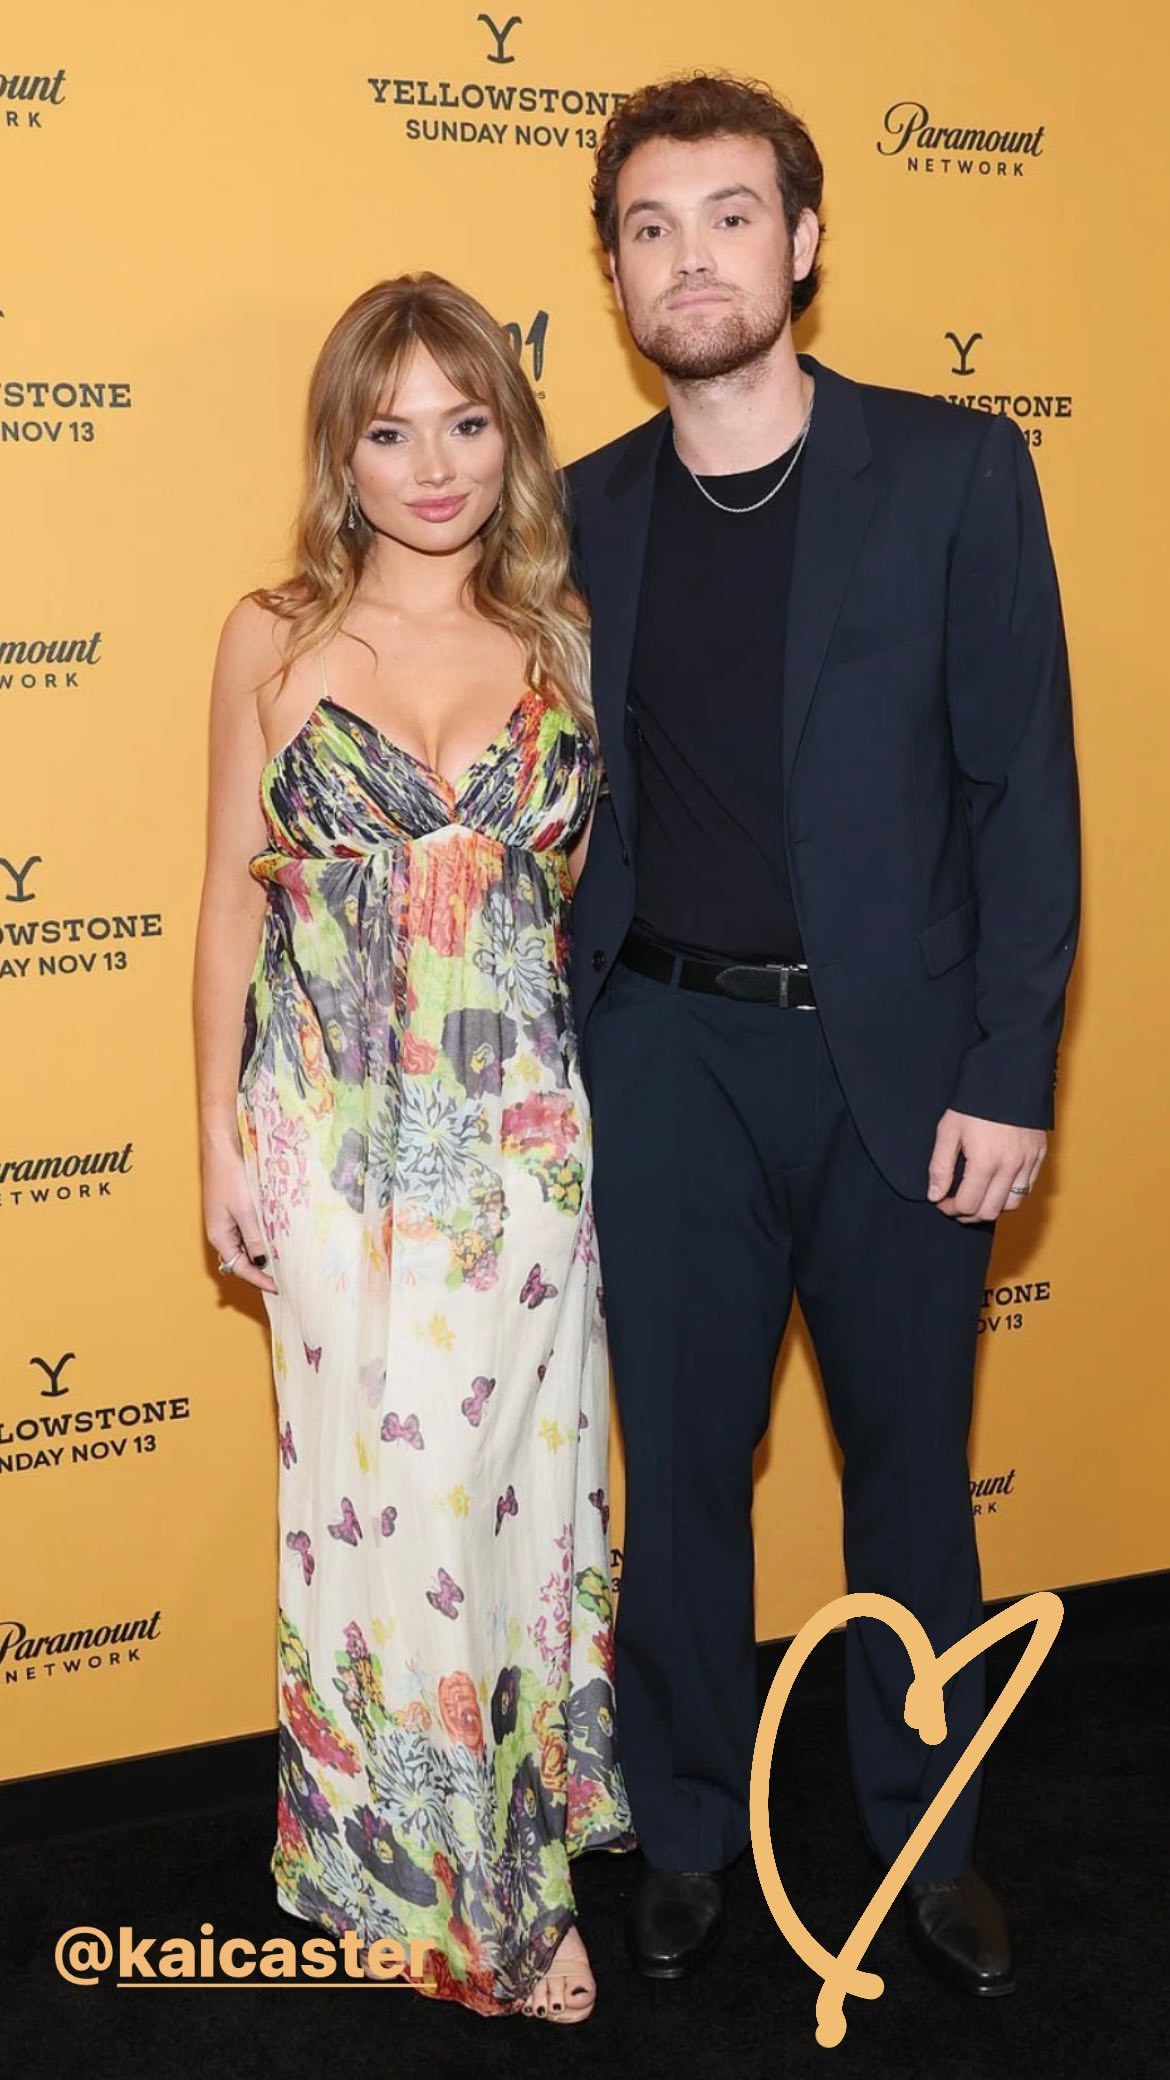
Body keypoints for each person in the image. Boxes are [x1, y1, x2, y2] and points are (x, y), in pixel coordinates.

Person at [566, 74, 1080, 1999]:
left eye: (727, 216)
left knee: (912, 1486)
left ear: (800, 242)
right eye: (649, 226)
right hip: (662, 1059)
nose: (689, 256)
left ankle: (927, 1845)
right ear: (615, 271)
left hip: (904, 1077)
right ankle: (685, 1830)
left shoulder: (952, 472)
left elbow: (1022, 794)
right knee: (682, 1486)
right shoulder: (580, 510)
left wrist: (1008, 1073)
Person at [193, 273, 633, 2023]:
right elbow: (225, 907)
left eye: (466, 422)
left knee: (505, 1493)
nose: (433, 464)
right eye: (391, 430)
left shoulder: (562, 637)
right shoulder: (270, 637)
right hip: (325, 1142)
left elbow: (556, 905)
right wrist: (216, 1136)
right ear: (342, 451)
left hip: (514, 1150)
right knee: (368, 1506)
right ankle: (386, 1866)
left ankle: (511, 1875)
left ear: (510, 439)